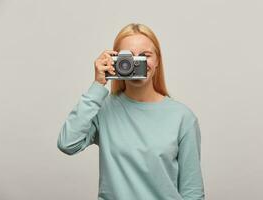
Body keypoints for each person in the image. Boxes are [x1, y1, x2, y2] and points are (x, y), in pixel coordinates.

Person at [57, 23, 205, 200]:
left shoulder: (183, 117)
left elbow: (193, 192)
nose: (136, 63)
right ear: (115, 61)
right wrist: (97, 85)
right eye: (128, 57)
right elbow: (68, 143)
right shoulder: (103, 109)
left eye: (145, 56)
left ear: (157, 61)